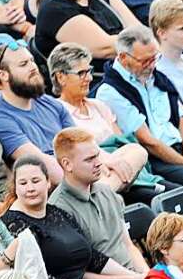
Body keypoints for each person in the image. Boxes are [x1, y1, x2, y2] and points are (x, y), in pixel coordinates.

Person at [5, 155, 143, 279]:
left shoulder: (56, 212)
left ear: (48, 183)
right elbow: (39, 277)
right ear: (15, 188)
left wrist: (135, 278)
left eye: (35, 181)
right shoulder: (14, 224)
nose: (30, 188)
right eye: (23, 183)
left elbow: (91, 257)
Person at [96, 27, 183, 189]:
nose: (152, 65)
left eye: (154, 58)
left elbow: (182, 119)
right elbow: (148, 141)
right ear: (123, 58)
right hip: (156, 158)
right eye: (145, 60)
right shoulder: (111, 91)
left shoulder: (156, 76)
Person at [46, 43, 150, 193]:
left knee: (136, 151)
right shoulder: (56, 110)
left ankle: (105, 193)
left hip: (123, 169)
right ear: (61, 77)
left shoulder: (98, 105)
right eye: (81, 73)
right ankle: (102, 194)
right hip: (96, 173)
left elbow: (121, 141)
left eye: (89, 71)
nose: (88, 78)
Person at [0, 43, 76, 182]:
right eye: (23, 64)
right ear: (3, 75)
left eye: (32, 61)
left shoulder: (47, 102)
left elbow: (81, 142)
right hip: (53, 186)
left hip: (76, 169)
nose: (33, 67)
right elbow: (43, 166)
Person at [34, 0, 139, 73]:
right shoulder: (54, 9)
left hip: (130, 71)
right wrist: (147, 42)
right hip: (94, 83)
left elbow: (137, 27)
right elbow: (107, 48)